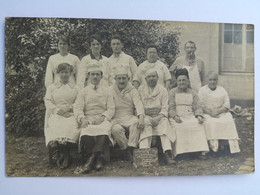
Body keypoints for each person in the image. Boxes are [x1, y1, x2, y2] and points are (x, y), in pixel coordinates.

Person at [74, 63, 115, 173]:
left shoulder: (107, 91)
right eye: (93, 74)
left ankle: (90, 160)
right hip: (88, 118)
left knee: (104, 129)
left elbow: (111, 108)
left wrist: (103, 117)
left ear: (101, 76)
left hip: (102, 118)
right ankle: (97, 158)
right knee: (85, 131)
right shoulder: (83, 91)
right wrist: (82, 119)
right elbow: (78, 108)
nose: (95, 77)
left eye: (98, 74)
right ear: (88, 76)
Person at [44, 63, 79, 169]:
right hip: (56, 113)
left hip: (71, 113)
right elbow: (48, 101)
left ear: (71, 73)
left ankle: (65, 155)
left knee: (70, 125)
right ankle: (65, 154)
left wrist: (69, 109)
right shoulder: (52, 88)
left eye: (66, 72)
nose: (64, 75)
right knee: (56, 125)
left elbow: (79, 102)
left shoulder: (76, 87)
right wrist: (58, 110)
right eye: (62, 72)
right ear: (58, 74)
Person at [169, 68, 209, 159]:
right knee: (178, 127)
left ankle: (198, 151)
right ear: (176, 81)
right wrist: (175, 116)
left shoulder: (193, 92)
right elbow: (170, 108)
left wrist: (198, 115)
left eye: (184, 80)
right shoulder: (172, 92)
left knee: (198, 125)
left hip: (190, 115)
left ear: (188, 81)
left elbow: (197, 106)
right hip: (177, 116)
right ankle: (181, 153)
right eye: (179, 80)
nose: (182, 82)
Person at [138, 69, 176, 165]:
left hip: (159, 116)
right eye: (149, 77)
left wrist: (158, 117)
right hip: (146, 116)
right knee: (145, 123)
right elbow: (139, 106)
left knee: (164, 123)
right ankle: (144, 154)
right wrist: (145, 116)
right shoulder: (140, 90)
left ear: (157, 78)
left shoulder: (163, 90)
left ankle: (167, 153)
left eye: (153, 76)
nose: (151, 79)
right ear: (145, 79)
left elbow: (165, 107)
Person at [198, 71, 240, 154]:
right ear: (207, 80)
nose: (212, 82)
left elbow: (227, 104)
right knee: (210, 122)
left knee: (228, 121)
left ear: (217, 80)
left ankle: (230, 147)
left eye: (214, 80)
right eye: (210, 80)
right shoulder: (202, 90)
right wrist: (210, 113)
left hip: (221, 112)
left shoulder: (222, 90)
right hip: (207, 113)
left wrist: (218, 111)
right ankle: (214, 147)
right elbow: (199, 105)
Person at [110, 66, 145, 161]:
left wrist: (141, 117)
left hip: (129, 116)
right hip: (116, 117)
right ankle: (125, 149)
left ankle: (131, 148)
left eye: (124, 78)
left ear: (128, 79)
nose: (121, 81)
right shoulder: (110, 90)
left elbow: (138, 104)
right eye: (119, 78)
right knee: (116, 129)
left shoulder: (133, 90)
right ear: (115, 79)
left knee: (136, 123)